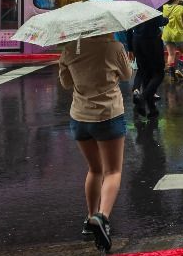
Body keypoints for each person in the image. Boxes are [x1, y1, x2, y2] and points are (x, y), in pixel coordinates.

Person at [58, 33, 132, 253]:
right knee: (113, 171)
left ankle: (90, 218)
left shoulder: (70, 49)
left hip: (80, 116)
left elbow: (65, 83)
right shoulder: (114, 47)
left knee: (94, 169)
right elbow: (127, 75)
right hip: (108, 115)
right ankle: (103, 217)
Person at [129, 13, 166, 118]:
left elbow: (128, 27)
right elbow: (159, 21)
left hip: (136, 40)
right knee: (159, 73)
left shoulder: (134, 8)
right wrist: (165, 20)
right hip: (152, 41)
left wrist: (130, 48)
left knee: (145, 73)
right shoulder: (152, 7)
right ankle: (143, 98)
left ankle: (152, 109)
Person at [161, 0, 183, 83]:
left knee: (171, 55)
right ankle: (179, 69)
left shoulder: (164, 7)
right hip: (179, 34)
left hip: (167, 34)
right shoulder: (181, 8)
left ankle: (172, 76)